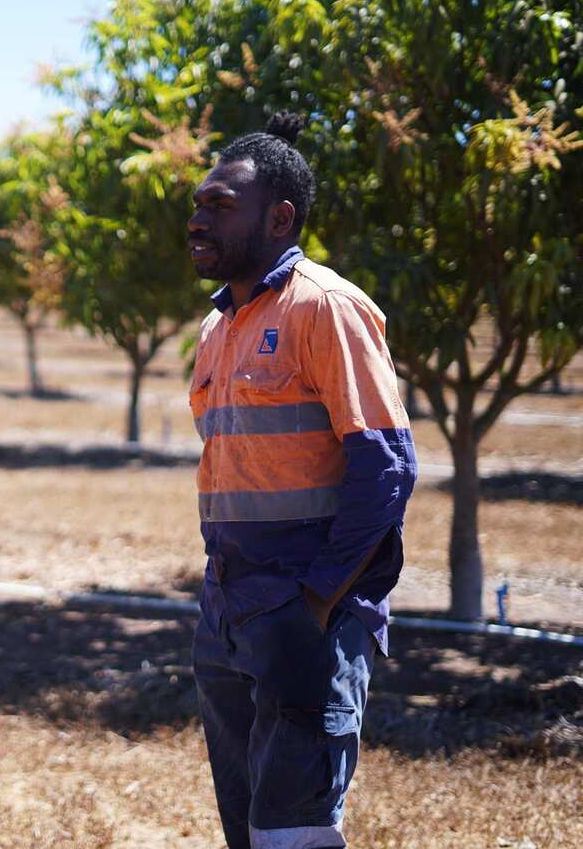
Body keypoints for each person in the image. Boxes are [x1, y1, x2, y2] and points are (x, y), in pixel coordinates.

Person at [185, 112, 418, 848]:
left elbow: (387, 466)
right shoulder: (218, 326)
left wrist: (314, 604)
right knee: (250, 834)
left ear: (279, 218)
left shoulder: (325, 307)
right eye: (198, 203)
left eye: (221, 205)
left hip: (304, 618)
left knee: (293, 837)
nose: (197, 219)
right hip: (228, 615)